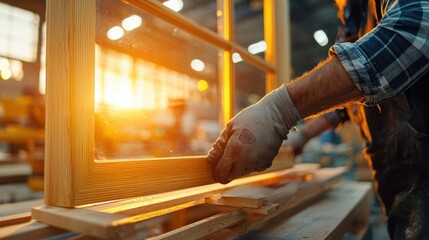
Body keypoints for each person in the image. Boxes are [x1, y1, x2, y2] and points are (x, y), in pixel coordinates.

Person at [207, 0, 429, 239]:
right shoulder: (351, 19)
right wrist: (301, 135)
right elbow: (348, 99)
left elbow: (417, 29)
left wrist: (279, 110)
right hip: (399, 182)